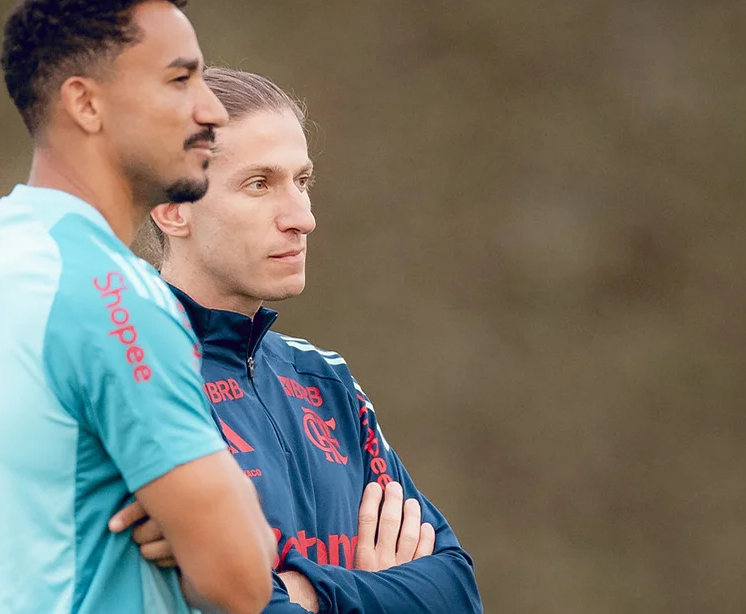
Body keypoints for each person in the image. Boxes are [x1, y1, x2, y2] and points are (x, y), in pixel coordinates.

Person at [0, 0, 275, 613]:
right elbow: (241, 583)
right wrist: (209, 531)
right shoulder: (119, 296)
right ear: (85, 102)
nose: (213, 109)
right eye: (179, 80)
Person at [115, 68, 483, 612]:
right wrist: (376, 595)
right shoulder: (131, 379)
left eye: (302, 181)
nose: (302, 217)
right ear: (171, 208)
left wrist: (305, 592)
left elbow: (456, 589)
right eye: (259, 184)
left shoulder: (326, 381)